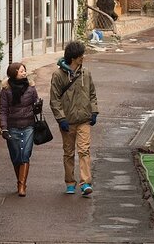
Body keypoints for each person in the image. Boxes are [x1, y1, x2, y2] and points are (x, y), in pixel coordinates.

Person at [49, 41, 99, 195]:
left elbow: (92, 94)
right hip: (67, 121)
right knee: (69, 152)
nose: (82, 58)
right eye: (80, 56)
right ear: (73, 57)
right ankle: (70, 182)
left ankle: (85, 183)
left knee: (84, 150)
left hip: (84, 119)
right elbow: (54, 99)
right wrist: (61, 118)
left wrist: (94, 111)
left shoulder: (86, 73)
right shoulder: (58, 75)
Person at [0, 62, 43, 197]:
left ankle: (22, 185)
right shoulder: (6, 90)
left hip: (29, 125)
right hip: (12, 127)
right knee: (16, 156)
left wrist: (37, 105)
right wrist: (4, 128)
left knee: (25, 155)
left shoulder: (31, 88)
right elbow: (3, 110)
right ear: (14, 73)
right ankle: (20, 180)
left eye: (24, 70)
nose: (24, 73)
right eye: (21, 71)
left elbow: (35, 104)